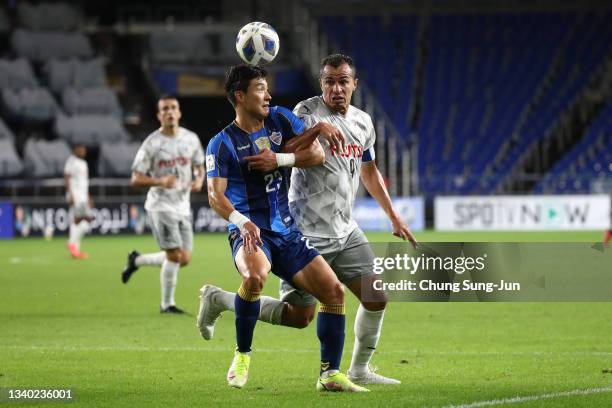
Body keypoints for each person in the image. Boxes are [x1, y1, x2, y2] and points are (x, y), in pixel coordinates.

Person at [198, 54, 417, 385]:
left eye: (343, 81)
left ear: (354, 84)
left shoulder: (363, 122)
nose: (337, 88)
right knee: (298, 316)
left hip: (345, 229)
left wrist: (393, 216)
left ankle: (353, 370)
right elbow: (289, 151)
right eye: (329, 81)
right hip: (305, 229)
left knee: (374, 297)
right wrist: (283, 158)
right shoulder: (303, 112)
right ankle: (227, 310)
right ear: (321, 84)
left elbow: (368, 170)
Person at [122, 95, 204, 314]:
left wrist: (199, 179)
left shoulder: (191, 139)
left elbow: (199, 165)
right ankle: (166, 304)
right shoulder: (152, 143)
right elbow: (136, 178)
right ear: (159, 115)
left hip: (182, 206)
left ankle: (136, 260)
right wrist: (159, 181)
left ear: (179, 112)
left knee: (184, 258)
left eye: (173, 108)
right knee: (174, 255)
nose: (169, 112)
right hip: (160, 206)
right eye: (165, 109)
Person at [64, 143, 94, 259]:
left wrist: (89, 197)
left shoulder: (84, 163)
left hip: (83, 196)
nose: (83, 151)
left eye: (84, 149)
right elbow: (67, 177)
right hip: (75, 196)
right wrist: (70, 194)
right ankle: (72, 245)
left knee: (80, 223)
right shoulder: (72, 161)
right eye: (80, 149)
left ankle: (74, 249)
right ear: (75, 150)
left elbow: (84, 183)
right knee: (83, 220)